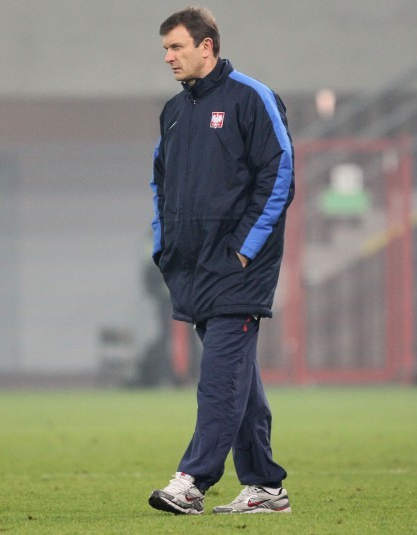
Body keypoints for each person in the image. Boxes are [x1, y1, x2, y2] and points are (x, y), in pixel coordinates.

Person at [147, 7, 295, 515]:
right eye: (165, 49)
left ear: (206, 46)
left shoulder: (252, 97)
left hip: (239, 267)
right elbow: (159, 181)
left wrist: (245, 248)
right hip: (192, 266)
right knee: (237, 378)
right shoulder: (173, 110)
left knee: (218, 377)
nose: (169, 57)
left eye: (176, 47)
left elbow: (279, 173)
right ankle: (265, 487)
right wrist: (163, 243)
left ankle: (192, 481)